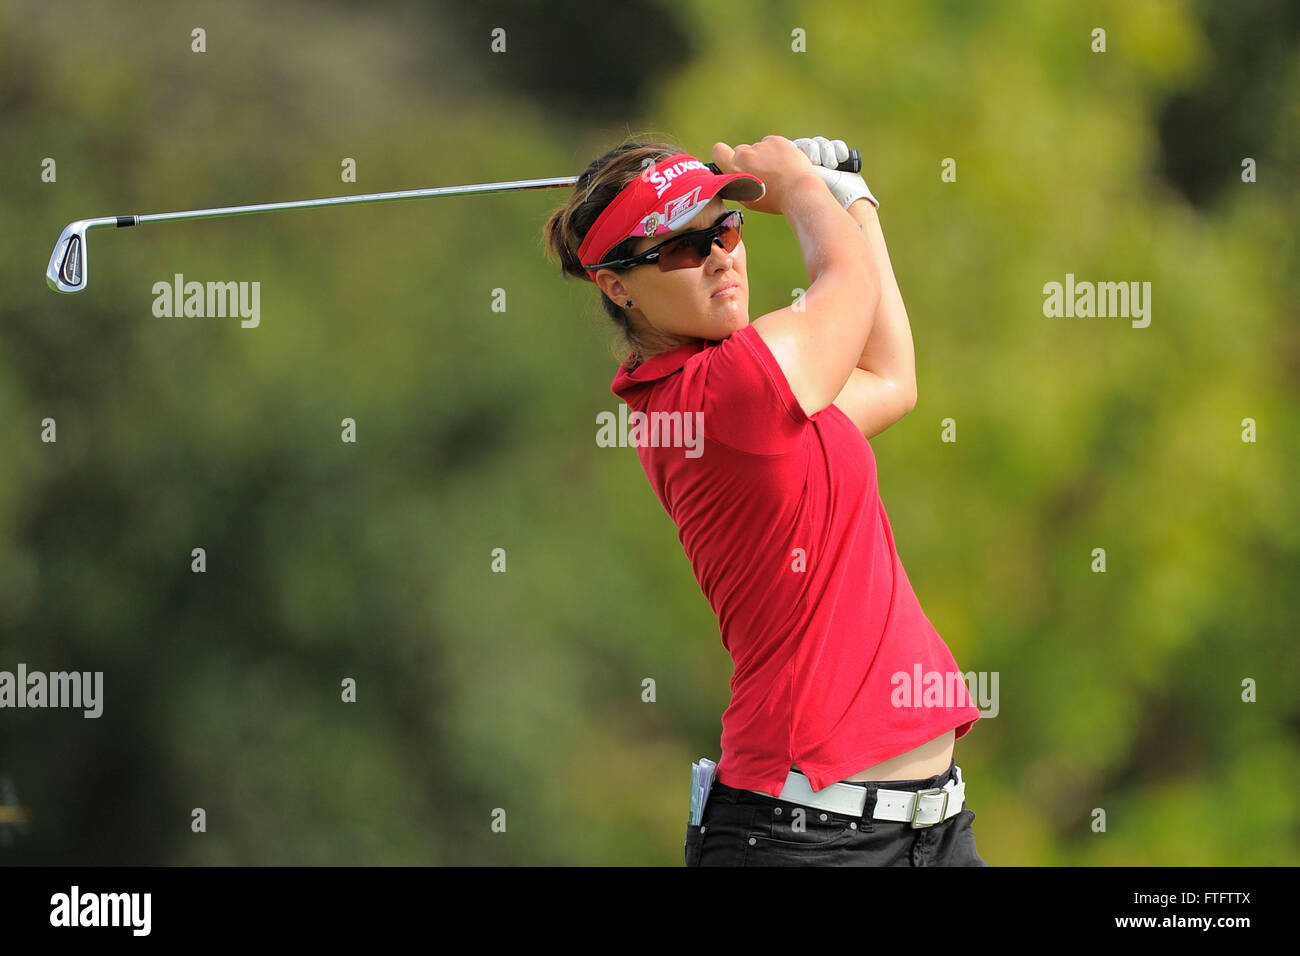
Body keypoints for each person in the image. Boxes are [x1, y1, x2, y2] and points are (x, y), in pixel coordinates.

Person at [542, 134, 986, 866]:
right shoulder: (723, 392)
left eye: (726, 227)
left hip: (925, 833)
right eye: (683, 249)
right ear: (616, 284)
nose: (721, 255)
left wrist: (849, 194)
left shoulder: (753, 389)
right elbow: (849, 287)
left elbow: (889, 377)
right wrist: (800, 188)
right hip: (805, 837)